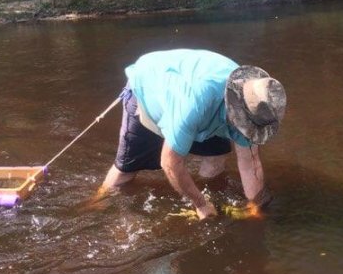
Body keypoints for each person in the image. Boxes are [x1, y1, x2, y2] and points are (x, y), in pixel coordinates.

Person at [98, 49, 286, 220]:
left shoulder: (257, 102)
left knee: (216, 159)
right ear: (234, 110)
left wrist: (255, 207)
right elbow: (170, 163)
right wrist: (201, 204)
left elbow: (250, 162)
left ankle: (207, 190)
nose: (247, 129)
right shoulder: (193, 106)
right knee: (126, 171)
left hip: (204, 106)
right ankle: (96, 204)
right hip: (148, 91)